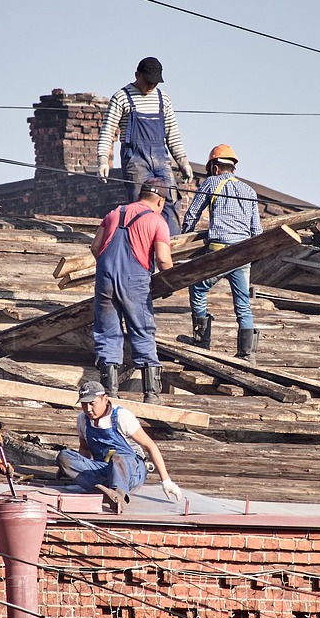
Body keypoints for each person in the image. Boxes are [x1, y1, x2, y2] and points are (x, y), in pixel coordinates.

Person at [91, 184, 174, 403]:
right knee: (142, 330)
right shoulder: (157, 221)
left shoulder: (114, 213)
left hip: (105, 278)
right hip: (135, 280)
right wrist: (172, 281)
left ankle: (109, 392)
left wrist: (111, 268)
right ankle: (151, 394)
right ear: (160, 202)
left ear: (140, 196)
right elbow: (164, 259)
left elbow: (95, 247)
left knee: (107, 332)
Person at [180, 144, 263, 362]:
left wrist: (183, 241)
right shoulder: (249, 191)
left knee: (198, 288)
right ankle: (247, 354)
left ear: (215, 168)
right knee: (243, 303)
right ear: (233, 167)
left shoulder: (211, 182)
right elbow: (257, 231)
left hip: (219, 251)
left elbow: (191, 216)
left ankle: (202, 342)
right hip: (243, 252)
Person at [95, 56, 194, 235]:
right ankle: (142, 243)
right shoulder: (121, 97)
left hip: (161, 159)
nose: (151, 86)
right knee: (141, 205)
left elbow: (172, 133)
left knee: (169, 200)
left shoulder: (163, 98)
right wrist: (103, 160)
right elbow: (107, 131)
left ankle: (168, 246)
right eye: (148, 81)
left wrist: (183, 162)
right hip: (135, 160)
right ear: (137, 75)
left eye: (155, 82)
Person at [57, 380, 181, 513]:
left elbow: (150, 446)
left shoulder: (122, 417)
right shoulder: (82, 419)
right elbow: (85, 449)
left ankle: (118, 495)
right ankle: (102, 491)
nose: (88, 409)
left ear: (105, 399)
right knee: (64, 456)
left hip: (131, 470)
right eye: (83, 404)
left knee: (117, 458)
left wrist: (166, 481)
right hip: (104, 468)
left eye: (92, 404)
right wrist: (72, 468)